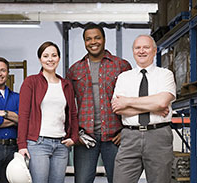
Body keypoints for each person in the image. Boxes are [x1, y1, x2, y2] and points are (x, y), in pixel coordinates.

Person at [67, 22, 132, 183]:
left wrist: (126, 131)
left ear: (104, 39)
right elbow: (68, 106)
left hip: (114, 137)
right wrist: (75, 134)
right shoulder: (75, 70)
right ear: (84, 42)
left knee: (119, 180)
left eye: (97, 38)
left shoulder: (121, 66)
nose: (93, 42)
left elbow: (132, 100)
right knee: (82, 181)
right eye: (88, 39)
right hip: (86, 138)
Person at [111, 35, 175, 183]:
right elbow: (118, 108)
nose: (141, 51)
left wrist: (128, 101)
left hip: (158, 136)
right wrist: (151, 107)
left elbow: (161, 102)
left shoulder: (165, 75)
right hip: (129, 137)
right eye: (137, 48)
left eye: (146, 47)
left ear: (154, 51)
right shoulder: (123, 77)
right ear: (133, 51)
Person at [17, 41, 79, 183]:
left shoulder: (66, 85)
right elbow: (24, 115)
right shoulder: (31, 82)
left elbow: (73, 114)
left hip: (61, 145)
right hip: (38, 143)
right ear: (40, 59)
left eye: (54, 55)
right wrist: (22, 145)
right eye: (46, 56)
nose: (50, 59)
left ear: (59, 58)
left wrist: (74, 137)